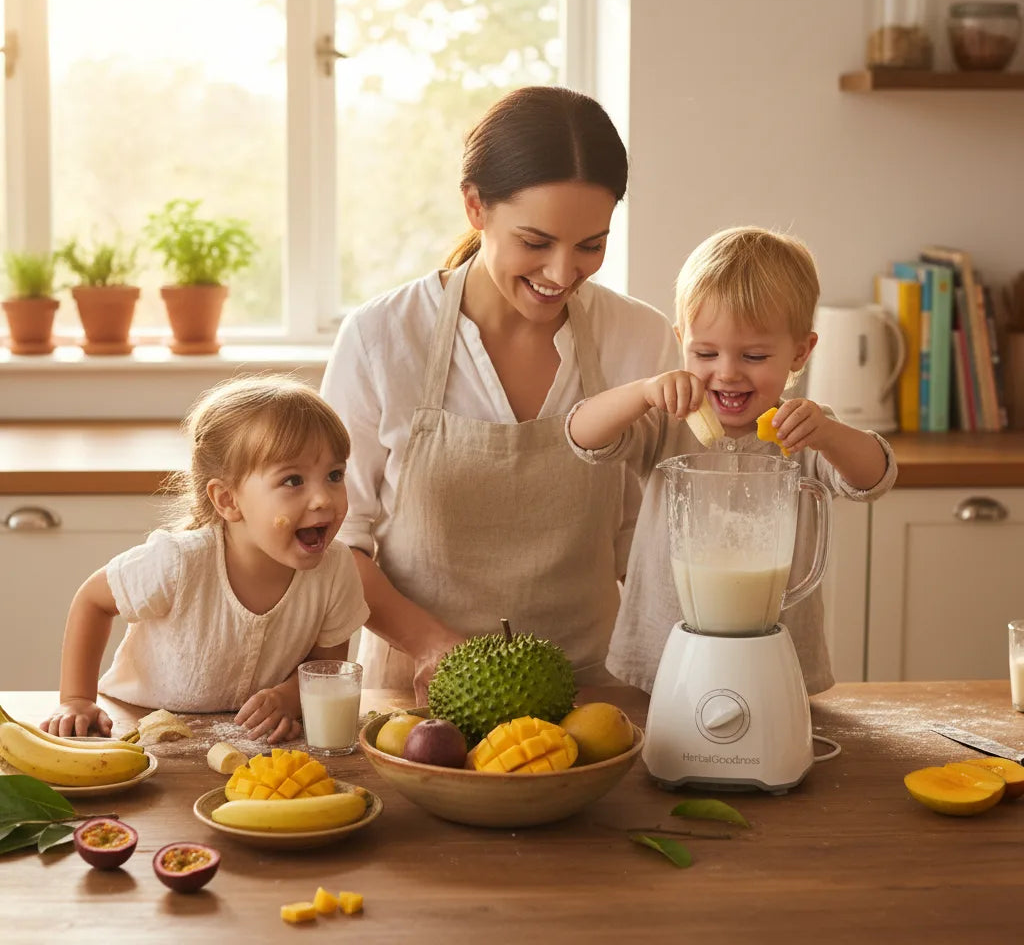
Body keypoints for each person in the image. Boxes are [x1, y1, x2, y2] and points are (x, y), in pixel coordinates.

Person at [321, 85, 679, 700]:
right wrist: (432, 644)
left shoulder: (638, 339)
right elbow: (333, 539)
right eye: (535, 242)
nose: (563, 273)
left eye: (590, 245)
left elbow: (649, 538)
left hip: (593, 696)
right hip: (415, 700)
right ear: (475, 207)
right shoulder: (383, 337)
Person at [566, 226, 898, 695]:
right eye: (705, 352)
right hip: (662, 657)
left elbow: (876, 478)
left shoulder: (804, 428)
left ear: (800, 351)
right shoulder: (667, 422)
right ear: (681, 340)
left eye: (755, 355)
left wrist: (830, 435)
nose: (727, 372)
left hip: (775, 664)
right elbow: (582, 434)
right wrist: (641, 393)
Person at [41, 375, 369, 744]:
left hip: (248, 739)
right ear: (228, 500)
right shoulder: (178, 562)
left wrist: (288, 698)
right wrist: (76, 700)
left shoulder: (336, 568)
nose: (323, 499)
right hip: (139, 729)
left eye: (334, 475)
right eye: (293, 481)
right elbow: (92, 600)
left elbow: (325, 666)